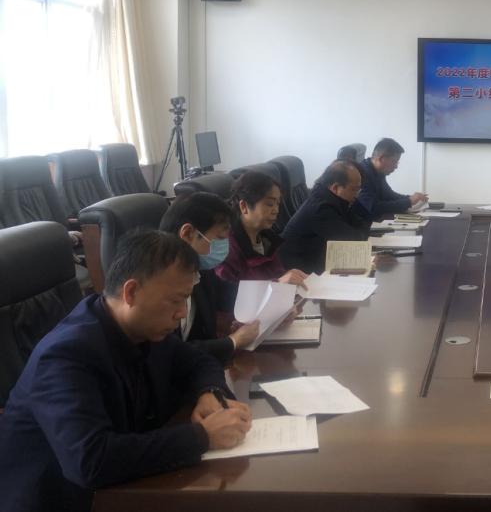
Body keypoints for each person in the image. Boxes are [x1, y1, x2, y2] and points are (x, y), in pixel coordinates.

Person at [0, 231, 252, 512]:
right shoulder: (64, 355)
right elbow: (91, 461)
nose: (182, 312)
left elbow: (199, 362)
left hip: (125, 487)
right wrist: (202, 436)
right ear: (130, 292)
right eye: (175, 300)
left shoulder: (144, 328)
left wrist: (210, 392)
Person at [159, 192, 260, 364]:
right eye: (219, 238)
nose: (225, 247)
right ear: (188, 234)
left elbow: (232, 297)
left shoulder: (201, 270)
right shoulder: (155, 286)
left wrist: (277, 305)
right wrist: (232, 342)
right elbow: (169, 354)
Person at [216, 170, 307, 286]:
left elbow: (275, 275)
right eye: (270, 204)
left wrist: (287, 275)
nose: (276, 210)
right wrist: (278, 283)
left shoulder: (266, 238)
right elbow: (235, 293)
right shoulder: (226, 249)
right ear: (244, 206)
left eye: (278, 204)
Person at [280, 159, 372, 274]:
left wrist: (360, 227)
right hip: (298, 271)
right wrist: (361, 229)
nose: (357, 195)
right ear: (335, 188)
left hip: (314, 261)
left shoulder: (332, 198)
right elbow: (354, 241)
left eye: (359, 189)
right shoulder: (321, 209)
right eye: (354, 189)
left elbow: (364, 222)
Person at [356, 138, 427, 220]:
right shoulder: (362, 174)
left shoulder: (378, 172)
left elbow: (389, 195)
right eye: (394, 161)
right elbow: (372, 207)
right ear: (381, 158)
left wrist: (412, 198)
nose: (396, 166)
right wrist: (409, 202)